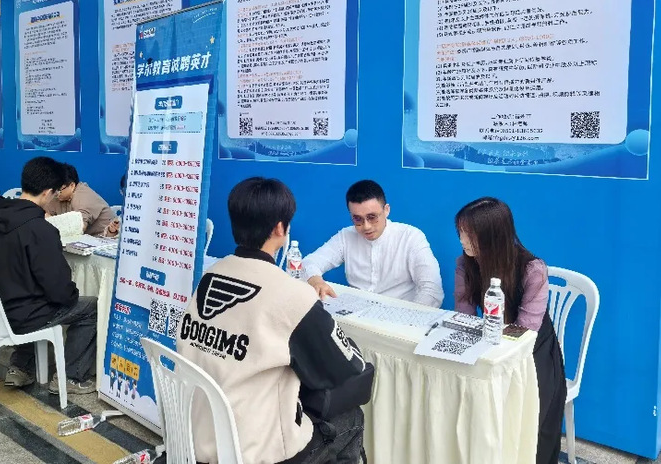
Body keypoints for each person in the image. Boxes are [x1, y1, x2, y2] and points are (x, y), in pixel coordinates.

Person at [178, 177, 369, 464]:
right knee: (350, 418)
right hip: (255, 450)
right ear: (281, 228)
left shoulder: (211, 275)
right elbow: (345, 367)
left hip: (197, 437)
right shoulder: (291, 294)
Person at [454, 197, 565, 464]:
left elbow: (525, 331)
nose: (462, 240)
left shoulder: (533, 269)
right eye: (460, 232)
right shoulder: (465, 263)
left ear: (492, 235)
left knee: (527, 418)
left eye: (468, 233)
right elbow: (465, 314)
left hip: (534, 351)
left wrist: (492, 351)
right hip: (490, 341)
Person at [0, 157, 97, 394]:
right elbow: (60, 290)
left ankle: (21, 366)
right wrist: (70, 294)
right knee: (90, 307)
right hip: (21, 316)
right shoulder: (40, 230)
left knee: (31, 294)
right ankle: (71, 377)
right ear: (48, 192)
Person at [302, 180, 444, 307]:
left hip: (400, 315)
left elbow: (432, 290)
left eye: (372, 217)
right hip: (356, 314)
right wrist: (316, 280)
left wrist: (409, 318)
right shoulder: (346, 236)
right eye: (357, 219)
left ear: (386, 210)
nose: (366, 226)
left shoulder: (410, 237)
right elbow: (309, 262)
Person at [44, 164, 115, 237]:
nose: (56, 194)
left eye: (59, 190)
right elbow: (42, 214)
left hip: (104, 238)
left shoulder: (83, 198)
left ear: (72, 185)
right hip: (83, 239)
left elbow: (78, 229)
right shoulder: (58, 195)